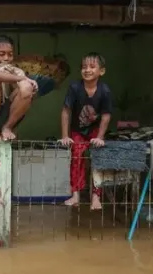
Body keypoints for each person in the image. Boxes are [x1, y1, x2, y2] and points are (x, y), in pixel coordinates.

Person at [58, 52, 113, 210]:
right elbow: (66, 111)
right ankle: (75, 196)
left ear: (101, 71)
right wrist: (65, 136)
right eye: (84, 67)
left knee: (97, 160)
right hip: (77, 130)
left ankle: (96, 197)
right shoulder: (75, 87)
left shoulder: (105, 91)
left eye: (92, 66)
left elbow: (106, 116)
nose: (87, 70)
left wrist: (100, 137)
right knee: (77, 159)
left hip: (95, 130)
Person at [0, 35, 38, 140]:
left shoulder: (16, 71)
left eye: (10, 55)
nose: (6, 58)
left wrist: (29, 84)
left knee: (27, 87)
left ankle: (7, 127)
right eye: (1, 54)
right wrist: (17, 77)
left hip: (7, 113)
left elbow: (25, 90)